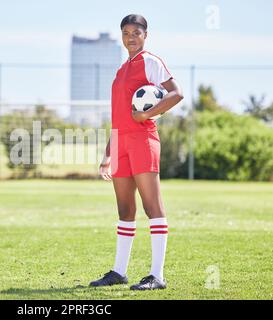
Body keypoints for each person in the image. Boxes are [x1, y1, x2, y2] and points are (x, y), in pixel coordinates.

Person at [89, 14, 184, 290]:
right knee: (124, 208)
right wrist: (108, 153)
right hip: (121, 144)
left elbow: (176, 93)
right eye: (126, 32)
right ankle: (119, 272)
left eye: (136, 33)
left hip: (143, 139)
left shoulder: (151, 62)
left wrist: (148, 115)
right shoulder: (121, 71)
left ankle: (157, 275)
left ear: (145, 35)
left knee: (151, 205)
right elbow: (118, 117)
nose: (131, 37)